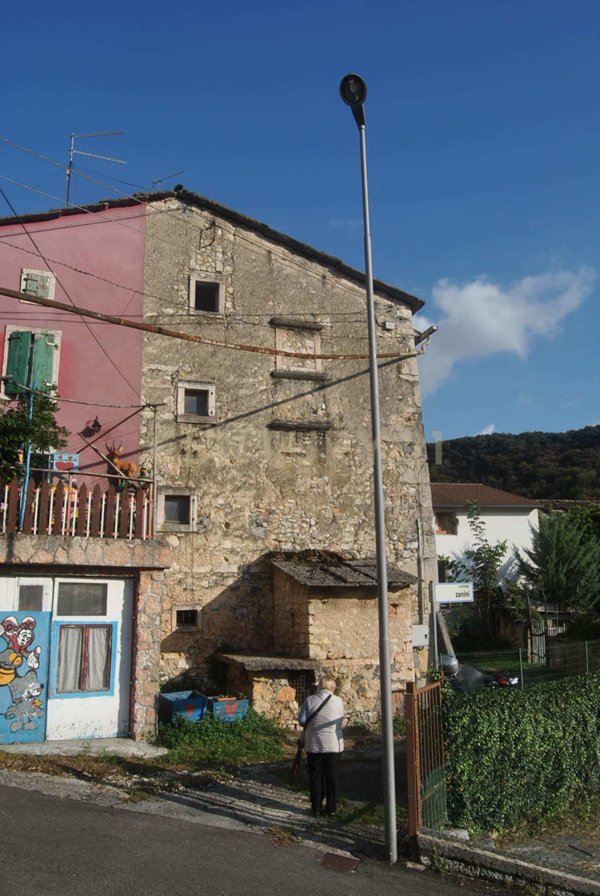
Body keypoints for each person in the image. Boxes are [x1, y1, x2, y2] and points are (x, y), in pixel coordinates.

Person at [298, 676, 344, 817]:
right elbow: (340, 719)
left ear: (319, 686)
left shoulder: (310, 700)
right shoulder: (339, 701)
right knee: (332, 778)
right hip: (334, 746)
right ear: (332, 687)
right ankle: (331, 809)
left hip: (314, 745)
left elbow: (302, 721)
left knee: (315, 776)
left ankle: (316, 808)